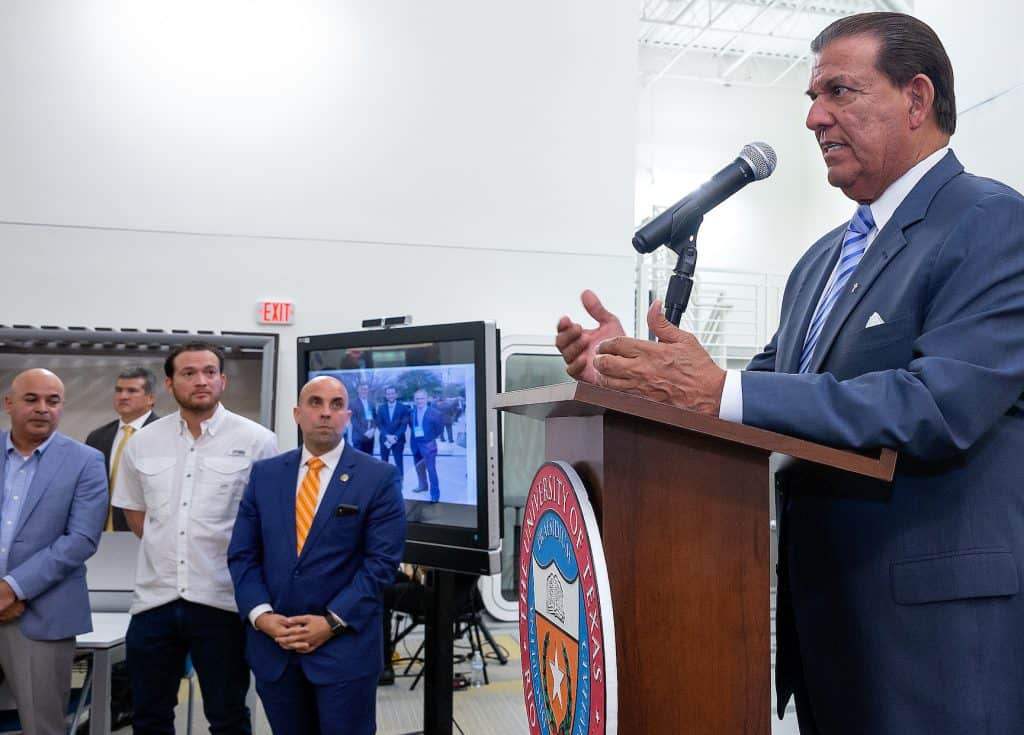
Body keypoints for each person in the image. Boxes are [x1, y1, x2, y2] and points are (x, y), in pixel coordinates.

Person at [556, 12, 1024, 734]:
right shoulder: (821, 260)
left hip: (933, 642)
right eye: (812, 96)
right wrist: (633, 372)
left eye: (840, 91)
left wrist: (718, 390)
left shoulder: (992, 223)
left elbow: (936, 406)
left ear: (918, 99)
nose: (813, 117)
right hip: (825, 630)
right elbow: (763, 392)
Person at [112, 343, 278, 735]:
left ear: (222, 379)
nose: (200, 380)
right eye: (188, 373)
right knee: (149, 714)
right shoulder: (143, 442)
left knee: (227, 715)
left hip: (222, 600)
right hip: (156, 600)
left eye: (208, 371)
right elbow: (136, 515)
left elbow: (267, 525)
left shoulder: (258, 441)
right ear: (170, 383)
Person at [228, 376, 406, 735]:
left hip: (344, 651)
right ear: (297, 413)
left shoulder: (378, 477)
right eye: (315, 403)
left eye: (336, 405)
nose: (326, 413)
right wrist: (262, 617)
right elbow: (242, 555)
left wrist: (332, 622)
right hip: (275, 648)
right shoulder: (265, 475)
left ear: (348, 416)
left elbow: (381, 564)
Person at [0, 369, 107, 734]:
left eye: (53, 401)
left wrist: (12, 587)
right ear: (9, 404)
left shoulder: (86, 462)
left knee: (42, 726)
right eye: (31, 399)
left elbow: (80, 539)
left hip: (42, 616)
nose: (42, 408)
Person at [85, 366, 160, 532]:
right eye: (119, 390)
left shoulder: (167, 435)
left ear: (151, 398)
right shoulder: (97, 438)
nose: (123, 396)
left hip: (148, 532)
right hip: (101, 532)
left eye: (132, 391)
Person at [408, 389, 444, 502]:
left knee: (431, 470)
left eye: (422, 398)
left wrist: (429, 437)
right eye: (417, 398)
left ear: (427, 399)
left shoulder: (435, 413)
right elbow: (411, 426)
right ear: (414, 400)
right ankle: (423, 486)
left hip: (428, 445)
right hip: (415, 444)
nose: (419, 401)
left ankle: (435, 494)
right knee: (419, 468)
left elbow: (439, 429)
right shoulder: (412, 412)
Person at [375, 386, 410, 484]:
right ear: (386, 396)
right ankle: (385, 481)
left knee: (399, 461)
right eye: (388, 394)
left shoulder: (403, 408)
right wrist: (387, 435)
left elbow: (404, 425)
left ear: (396, 394)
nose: (390, 395)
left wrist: (395, 436)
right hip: (385, 439)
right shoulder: (381, 408)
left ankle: (400, 481)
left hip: (398, 440)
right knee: (384, 461)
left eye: (392, 393)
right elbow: (379, 423)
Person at [349, 382, 376, 455]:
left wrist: (373, 429)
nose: (364, 391)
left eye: (366, 389)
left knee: (370, 461)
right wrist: (365, 432)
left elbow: (374, 418)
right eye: (362, 389)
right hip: (358, 438)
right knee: (359, 462)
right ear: (358, 390)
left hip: (370, 438)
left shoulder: (371, 403)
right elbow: (354, 420)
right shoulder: (352, 403)